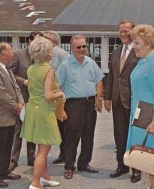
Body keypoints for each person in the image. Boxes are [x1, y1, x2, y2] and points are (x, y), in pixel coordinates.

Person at [126, 24, 154, 189]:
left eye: (136, 43)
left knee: (151, 157)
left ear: (148, 43)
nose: (133, 47)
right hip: (140, 116)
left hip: (150, 118)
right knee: (146, 157)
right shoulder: (144, 59)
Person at [57, 35, 104, 179]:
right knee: (72, 136)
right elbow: (57, 86)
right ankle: (69, 166)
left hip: (90, 103)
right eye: (79, 47)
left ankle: (84, 163)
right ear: (72, 48)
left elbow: (99, 81)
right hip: (73, 104)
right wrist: (60, 107)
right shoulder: (65, 65)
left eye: (84, 46)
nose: (82, 49)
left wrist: (99, 98)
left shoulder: (91, 62)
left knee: (88, 135)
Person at [20, 37, 64, 189]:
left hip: (33, 110)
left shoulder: (31, 69)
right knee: (43, 151)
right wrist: (59, 94)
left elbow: (32, 88)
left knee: (42, 148)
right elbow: (48, 95)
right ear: (48, 52)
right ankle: (35, 182)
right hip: (44, 111)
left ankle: (44, 177)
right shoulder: (48, 70)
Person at [104, 20, 141, 182]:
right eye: (120, 31)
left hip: (134, 100)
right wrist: (106, 97)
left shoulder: (139, 51)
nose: (123, 33)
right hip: (117, 100)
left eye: (126, 31)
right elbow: (111, 76)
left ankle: (137, 169)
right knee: (119, 135)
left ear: (133, 32)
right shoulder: (116, 52)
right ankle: (122, 165)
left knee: (135, 135)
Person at [0, 42, 24, 187]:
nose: (13, 54)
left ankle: (4, 171)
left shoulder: (7, 69)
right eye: (10, 51)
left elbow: (16, 89)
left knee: (7, 146)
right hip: (0, 116)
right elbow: (1, 94)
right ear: (3, 54)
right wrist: (16, 107)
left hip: (10, 115)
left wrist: (21, 103)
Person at [7, 31, 42, 170]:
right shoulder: (19, 54)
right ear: (29, 41)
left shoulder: (40, 57)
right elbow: (9, 73)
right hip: (21, 97)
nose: (37, 45)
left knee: (32, 129)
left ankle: (31, 157)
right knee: (18, 130)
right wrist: (24, 81)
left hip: (35, 99)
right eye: (35, 42)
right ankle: (13, 160)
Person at [43, 30, 70, 165]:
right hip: (51, 96)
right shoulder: (45, 54)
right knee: (58, 127)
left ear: (53, 41)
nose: (43, 40)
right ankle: (62, 153)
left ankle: (66, 154)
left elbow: (69, 73)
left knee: (63, 126)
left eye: (45, 38)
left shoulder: (62, 54)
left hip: (61, 96)